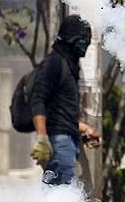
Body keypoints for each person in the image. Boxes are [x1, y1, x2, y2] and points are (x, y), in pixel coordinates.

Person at [29, 15, 101, 185]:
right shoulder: (54, 63)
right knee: (60, 191)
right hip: (59, 141)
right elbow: (38, 100)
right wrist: (42, 138)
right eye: (83, 40)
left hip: (68, 139)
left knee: (61, 190)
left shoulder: (69, 66)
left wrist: (86, 130)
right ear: (72, 39)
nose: (86, 45)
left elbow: (62, 111)